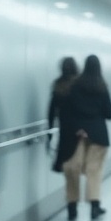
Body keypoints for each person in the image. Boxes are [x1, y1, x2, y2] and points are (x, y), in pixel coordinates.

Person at [62, 54, 111, 219]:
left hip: (78, 135)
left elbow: (68, 111)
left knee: (72, 170)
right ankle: (94, 206)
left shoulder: (75, 86)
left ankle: (72, 207)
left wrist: (78, 127)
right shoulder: (102, 86)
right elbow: (109, 112)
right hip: (98, 134)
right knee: (94, 171)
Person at [48, 56, 79, 191]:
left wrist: (50, 131)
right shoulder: (80, 84)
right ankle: (75, 199)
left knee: (68, 166)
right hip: (80, 130)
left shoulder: (57, 85)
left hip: (64, 131)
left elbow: (51, 110)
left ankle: (71, 203)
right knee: (77, 165)